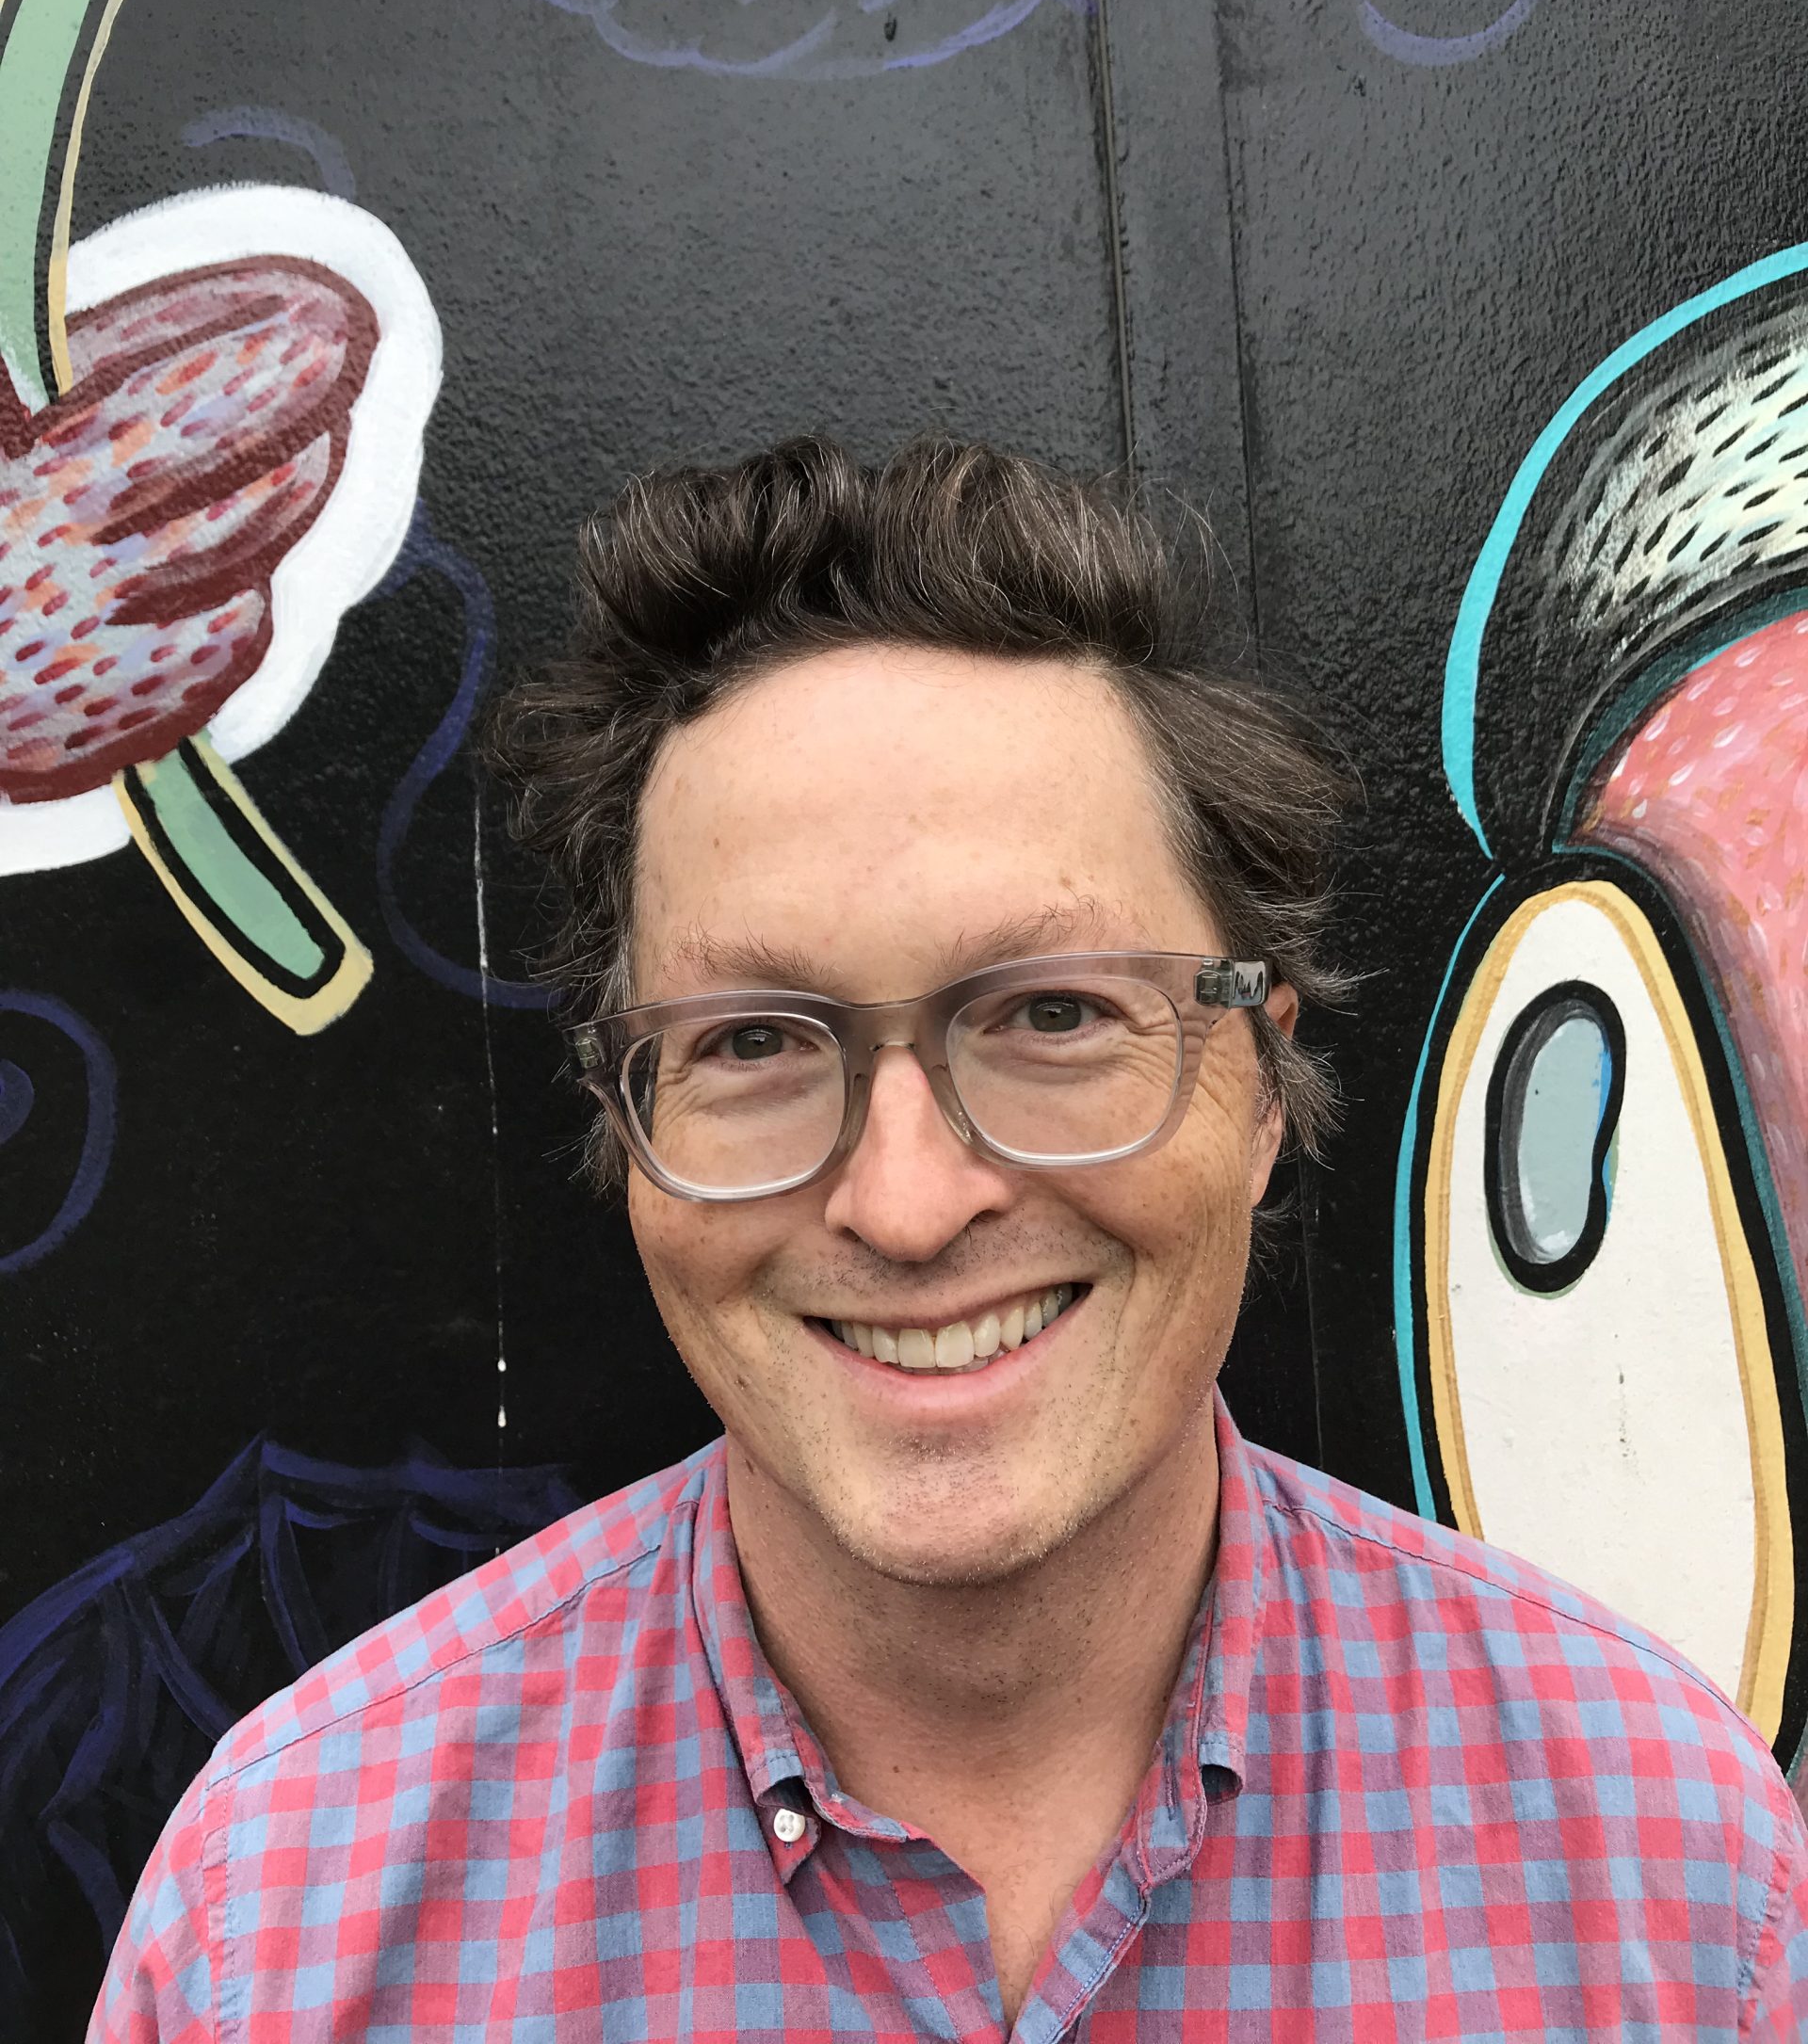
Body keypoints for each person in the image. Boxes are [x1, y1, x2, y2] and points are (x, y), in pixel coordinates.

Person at [92, 438, 1808, 2040]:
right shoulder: (285, 1929)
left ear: (1265, 1082)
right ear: (630, 1130)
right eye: (754, 1042)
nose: (908, 1205)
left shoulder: (1671, 1882)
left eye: (1056, 1014)